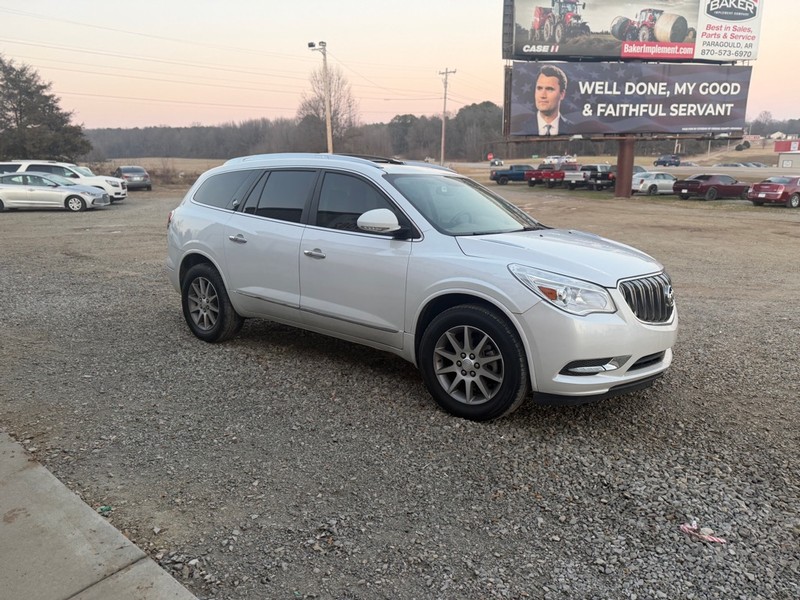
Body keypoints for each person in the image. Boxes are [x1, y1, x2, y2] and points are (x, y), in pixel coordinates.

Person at [534, 65, 569, 135]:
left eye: (549, 89)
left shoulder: (573, 129)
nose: (543, 95)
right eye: (539, 88)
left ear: (562, 94)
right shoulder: (519, 127)